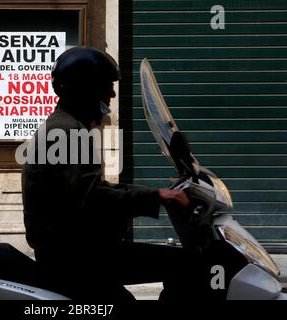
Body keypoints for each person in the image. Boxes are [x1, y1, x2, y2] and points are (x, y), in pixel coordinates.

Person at [21, 47, 214, 300]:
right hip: (75, 257)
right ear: (86, 89)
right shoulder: (67, 133)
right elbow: (92, 199)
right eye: (106, 87)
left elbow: (90, 190)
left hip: (75, 251)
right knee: (187, 265)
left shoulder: (64, 126)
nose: (112, 94)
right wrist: (155, 197)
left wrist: (155, 194)